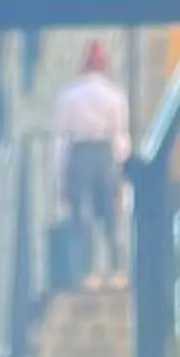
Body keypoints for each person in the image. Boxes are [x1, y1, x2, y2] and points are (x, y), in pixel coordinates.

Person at [52, 40, 131, 290]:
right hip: (105, 153)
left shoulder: (68, 96)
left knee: (82, 216)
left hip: (79, 154)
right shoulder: (115, 96)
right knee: (111, 214)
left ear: (83, 66)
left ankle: (89, 274)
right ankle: (118, 270)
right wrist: (122, 170)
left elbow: (61, 139)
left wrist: (60, 176)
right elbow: (120, 136)